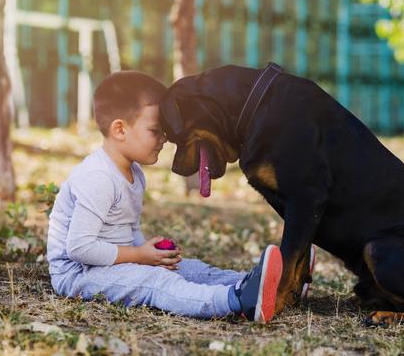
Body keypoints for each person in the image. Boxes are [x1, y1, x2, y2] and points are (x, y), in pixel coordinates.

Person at [46, 70, 283, 323]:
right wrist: (139, 257)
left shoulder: (134, 173)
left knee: (188, 269)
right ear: (119, 129)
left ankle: (270, 285)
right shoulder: (98, 177)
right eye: (155, 130)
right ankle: (236, 300)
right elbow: (80, 248)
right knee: (156, 281)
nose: (164, 140)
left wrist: (150, 253)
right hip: (79, 273)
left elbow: (128, 230)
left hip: (108, 264)